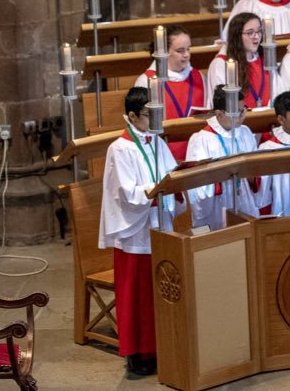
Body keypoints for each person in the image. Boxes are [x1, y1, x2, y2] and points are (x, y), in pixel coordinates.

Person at [100, 87, 180, 377]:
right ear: (132, 116)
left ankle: (162, 347)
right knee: (138, 295)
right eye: (149, 115)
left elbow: (172, 173)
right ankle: (138, 353)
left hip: (159, 224)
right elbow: (126, 191)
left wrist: (177, 186)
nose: (154, 119)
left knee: (160, 290)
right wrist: (156, 192)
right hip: (135, 232)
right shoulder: (120, 148)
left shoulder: (156, 140)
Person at [184, 86, 263, 232]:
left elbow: (255, 168)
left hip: (244, 200)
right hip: (217, 207)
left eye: (243, 109)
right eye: (236, 112)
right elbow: (196, 184)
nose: (242, 116)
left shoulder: (245, 132)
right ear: (219, 114)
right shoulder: (201, 139)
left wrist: (253, 175)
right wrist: (227, 174)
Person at [133, 25, 208, 161]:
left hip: (198, 154)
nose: (186, 55)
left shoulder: (199, 78)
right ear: (164, 52)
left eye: (188, 49)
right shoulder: (147, 81)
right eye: (180, 50)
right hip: (162, 156)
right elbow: (141, 127)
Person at [207, 12, 274, 110]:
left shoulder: (266, 60)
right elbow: (222, 102)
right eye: (250, 33)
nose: (256, 37)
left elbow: (277, 90)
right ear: (237, 35)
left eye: (259, 31)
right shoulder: (221, 64)